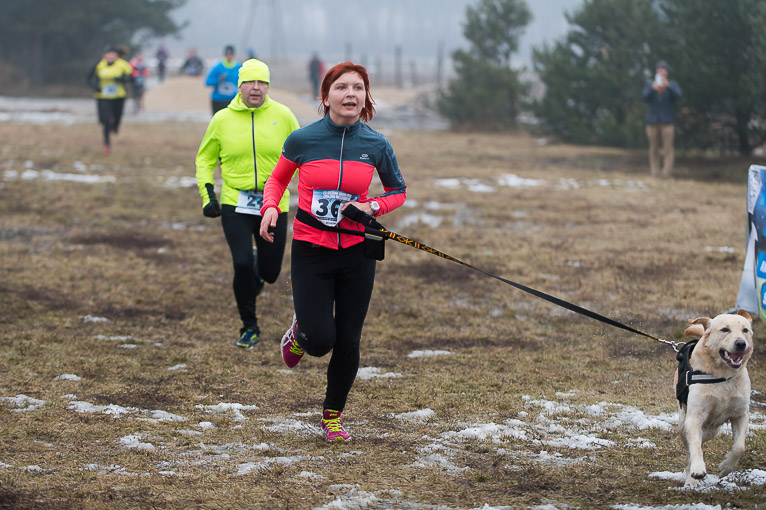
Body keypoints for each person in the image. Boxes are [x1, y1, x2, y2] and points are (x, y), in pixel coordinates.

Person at [259, 62, 407, 442]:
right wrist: (271, 207)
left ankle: (333, 416)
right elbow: (277, 180)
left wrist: (372, 206)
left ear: (365, 97)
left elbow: (398, 191)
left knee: (349, 339)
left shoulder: (376, 144)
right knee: (321, 340)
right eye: (341, 87)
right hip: (311, 249)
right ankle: (300, 333)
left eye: (358, 87)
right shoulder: (302, 140)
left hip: (357, 252)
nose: (350, 94)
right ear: (325, 97)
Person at [195, 59, 300, 349]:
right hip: (235, 202)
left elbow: (303, 155)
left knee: (270, 273)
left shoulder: (283, 115)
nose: (256, 87)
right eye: (250, 82)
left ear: (268, 86)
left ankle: (258, 267)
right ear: (239, 86)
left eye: (262, 82)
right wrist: (208, 195)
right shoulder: (222, 119)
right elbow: (204, 159)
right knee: (241, 264)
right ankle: (249, 326)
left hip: (274, 203)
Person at [87, 45, 134, 155]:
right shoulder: (99, 65)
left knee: (117, 118)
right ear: (104, 55)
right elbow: (89, 78)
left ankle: (116, 126)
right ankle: (107, 144)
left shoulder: (123, 65)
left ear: (117, 55)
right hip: (103, 97)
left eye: (113, 54)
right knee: (106, 121)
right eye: (108, 54)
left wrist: (122, 79)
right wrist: (95, 87)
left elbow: (132, 78)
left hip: (119, 97)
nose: (111, 56)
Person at [641, 60, 682, 178]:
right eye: (659, 69)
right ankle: (655, 172)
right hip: (652, 121)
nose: (661, 71)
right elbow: (644, 97)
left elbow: (679, 96)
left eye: (663, 69)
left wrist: (668, 86)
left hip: (667, 122)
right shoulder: (650, 84)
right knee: (653, 148)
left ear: (666, 71)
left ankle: (666, 173)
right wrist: (652, 89)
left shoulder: (672, 84)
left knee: (668, 148)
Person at [205, 45, 241, 114]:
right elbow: (207, 82)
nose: (229, 56)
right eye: (227, 54)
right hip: (218, 100)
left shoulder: (238, 67)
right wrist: (218, 79)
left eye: (231, 54)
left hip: (232, 100)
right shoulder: (217, 67)